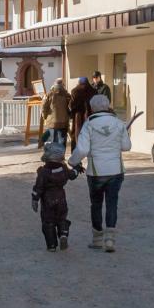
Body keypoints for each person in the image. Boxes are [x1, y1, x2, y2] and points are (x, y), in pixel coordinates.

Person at [69, 93, 131, 252]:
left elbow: (82, 149)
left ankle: (97, 239)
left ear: (92, 108)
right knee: (112, 203)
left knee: (96, 205)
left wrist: (72, 162)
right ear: (108, 105)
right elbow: (126, 146)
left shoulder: (89, 124)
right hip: (116, 171)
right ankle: (110, 240)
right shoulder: (118, 123)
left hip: (96, 172)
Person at [32, 140, 81, 251]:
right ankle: (63, 234)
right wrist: (77, 169)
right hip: (61, 198)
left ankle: (52, 245)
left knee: (48, 222)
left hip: (47, 200)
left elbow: (38, 187)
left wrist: (35, 199)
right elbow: (72, 175)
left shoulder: (44, 172)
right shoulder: (63, 168)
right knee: (61, 218)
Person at [41, 78, 71, 147]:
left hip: (52, 122)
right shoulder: (67, 95)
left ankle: (55, 153)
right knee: (62, 140)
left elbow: (44, 107)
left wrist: (44, 117)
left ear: (54, 84)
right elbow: (70, 107)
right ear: (63, 85)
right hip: (64, 122)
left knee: (54, 140)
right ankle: (62, 153)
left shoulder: (49, 94)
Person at [68, 76, 96, 149]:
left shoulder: (75, 91)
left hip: (78, 116)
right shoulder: (93, 91)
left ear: (79, 82)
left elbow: (71, 105)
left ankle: (76, 152)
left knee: (76, 134)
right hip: (90, 116)